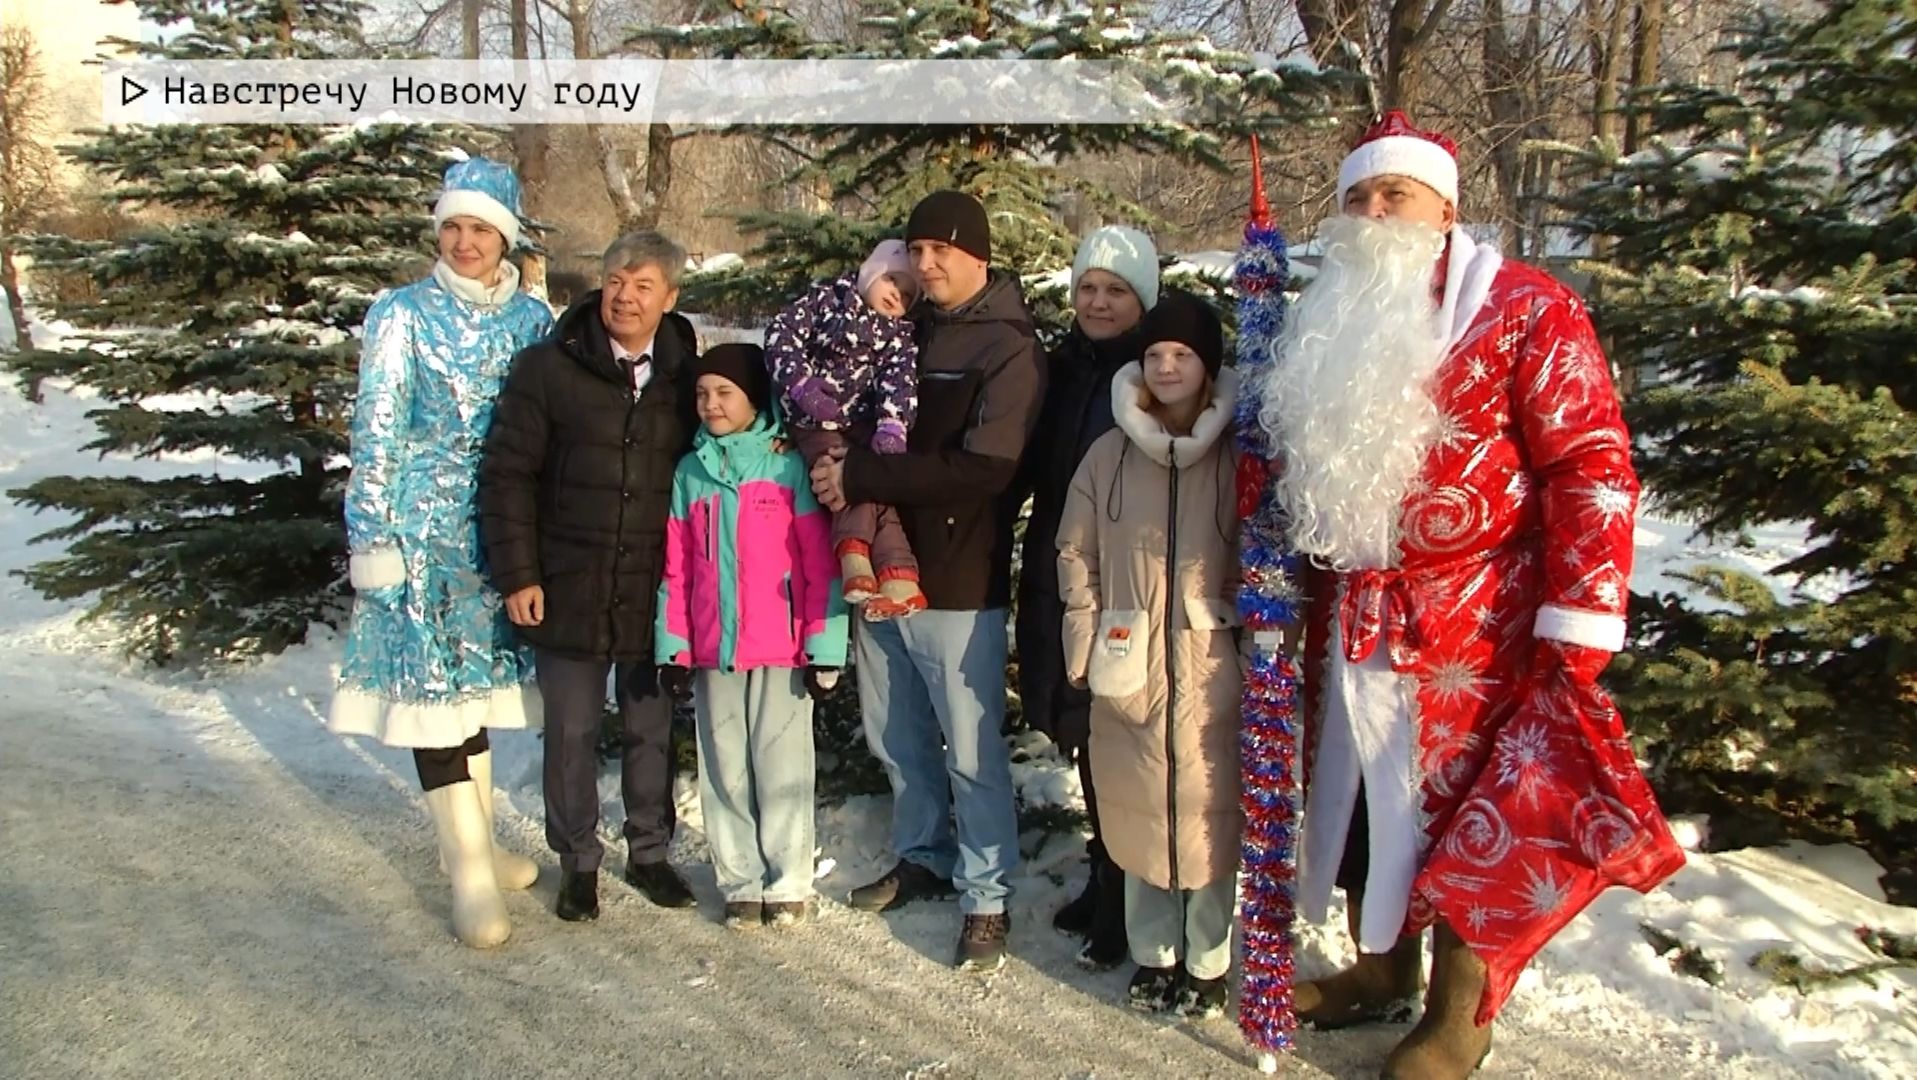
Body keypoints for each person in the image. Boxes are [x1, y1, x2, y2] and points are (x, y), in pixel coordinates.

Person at [1249, 111, 1684, 1077]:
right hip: (1350, 617)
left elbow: (1590, 462)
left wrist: (1580, 615)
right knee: (1362, 805)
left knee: (1466, 816)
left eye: (1393, 194)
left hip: (1479, 626)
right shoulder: (1328, 311)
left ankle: (1459, 1016)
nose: (1372, 213)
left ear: (1444, 209)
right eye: (1357, 196)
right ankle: (1379, 969)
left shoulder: (1527, 308)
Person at [809, 190, 1043, 971]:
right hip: (879, 565)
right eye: (915, 249)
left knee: (970, 748)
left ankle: (986, 894)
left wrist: (861, 474)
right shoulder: (903, 322)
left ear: (977, 255)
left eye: (941, 250)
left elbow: (986, 468)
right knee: (897, 734)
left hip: (957, 576)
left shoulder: (1008, 347)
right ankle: (923, 855)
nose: (926, 263)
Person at [328, 157, 553, 949]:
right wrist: (373, 536)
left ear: (505, 238)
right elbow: (376, 429)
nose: (464, 242)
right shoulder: (402, 313)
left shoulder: (532, 320)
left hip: (498, 534)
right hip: (421, 534)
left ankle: (478, 845)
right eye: (452, 226)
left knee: (475, 698)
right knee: (432, 697)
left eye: (480, 229)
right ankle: (467, 874)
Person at [478, 231, 704, 924]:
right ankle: (577, 861)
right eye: (615, 282)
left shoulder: (686, 379)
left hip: (652, 587)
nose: (624, 298)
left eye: (642, 287)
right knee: (571, 731)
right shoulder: (548, 368)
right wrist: (519, 574)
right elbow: (508, 475)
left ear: (669, 298)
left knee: (649, 730)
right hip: (568, 581)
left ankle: (649, 851)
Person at [1056, 290, 1243, 1018]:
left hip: (1208, 664)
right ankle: (1154, 953)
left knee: (1208, 816)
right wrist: (1086, 635)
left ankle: (1208, 960)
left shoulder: (1236, 457)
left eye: (1182, 354)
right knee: (1137, 811)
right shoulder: (1108, 454)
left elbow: (1264, 560)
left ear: (1207, 366)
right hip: (1128, 661)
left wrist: (1257, 644)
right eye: (1155, 354)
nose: (1166, 367)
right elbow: (1075, 551)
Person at [653, 343, 850, 929]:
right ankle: (739, 879)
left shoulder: (785, 467)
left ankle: (788, 879)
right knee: (725, 768)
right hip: (715, 650)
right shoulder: (691, 473)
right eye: (702, 393)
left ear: (754, 399)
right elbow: (676, 570)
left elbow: (819, 566)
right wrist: (674, 647)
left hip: (781, 651)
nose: (710, 404)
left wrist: (824, 646)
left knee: (783, 764)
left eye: (724, 393)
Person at [1015, 224, 1160, 969]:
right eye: (1088, 288)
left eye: (1116, 291)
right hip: (1058, 569)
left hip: (1124, 581)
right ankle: (1104, 870)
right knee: (1081, 730)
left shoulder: (1154, 372)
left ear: (1143, 300)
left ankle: (1128, 893)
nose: (1098, 303)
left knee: (1120, 738)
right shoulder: (1061, 368)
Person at [764, 239, 925, 619]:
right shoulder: (827, 301)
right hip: (814, 417)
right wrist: (800, 384)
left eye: (907, 294)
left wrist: (892, 425)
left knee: (874, 482)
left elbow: (899, 382)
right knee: (840, 474)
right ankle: (853, 554)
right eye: (892, 281)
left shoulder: (899, 336)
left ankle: (899, 574)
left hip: (862, 422)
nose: (896, 295)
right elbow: (780, 335)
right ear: (871, 273)